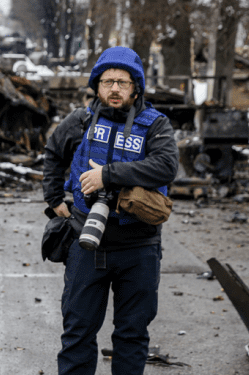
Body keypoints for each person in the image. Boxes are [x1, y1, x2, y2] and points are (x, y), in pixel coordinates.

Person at [42, 46, 178, 374]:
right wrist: (54, 198)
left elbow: (166, 166)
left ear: (136, 87)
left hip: (139, 248)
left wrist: (107, 174)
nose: (114, 89)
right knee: (77, 334)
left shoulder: (156, 125)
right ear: (97, 85)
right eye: (107, 81)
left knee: (131, 337)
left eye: (122, 82)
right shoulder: (81, 120)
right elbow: (53, 152)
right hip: (86, 245)